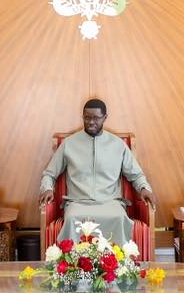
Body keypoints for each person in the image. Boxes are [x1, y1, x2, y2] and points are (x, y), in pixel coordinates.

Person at [37, 98, 157, 246]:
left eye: (96, 118)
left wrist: (144, 188)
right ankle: (74, 261)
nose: (91, 122)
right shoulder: (69, 144)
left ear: (105, 118)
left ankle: (116, 261)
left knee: (119, 217)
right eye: (87, 118)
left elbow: (136, 175)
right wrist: (47, 188)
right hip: (77, 202)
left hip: (110, 202)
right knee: (72, 218)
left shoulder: (118, 145)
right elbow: (49, 174)